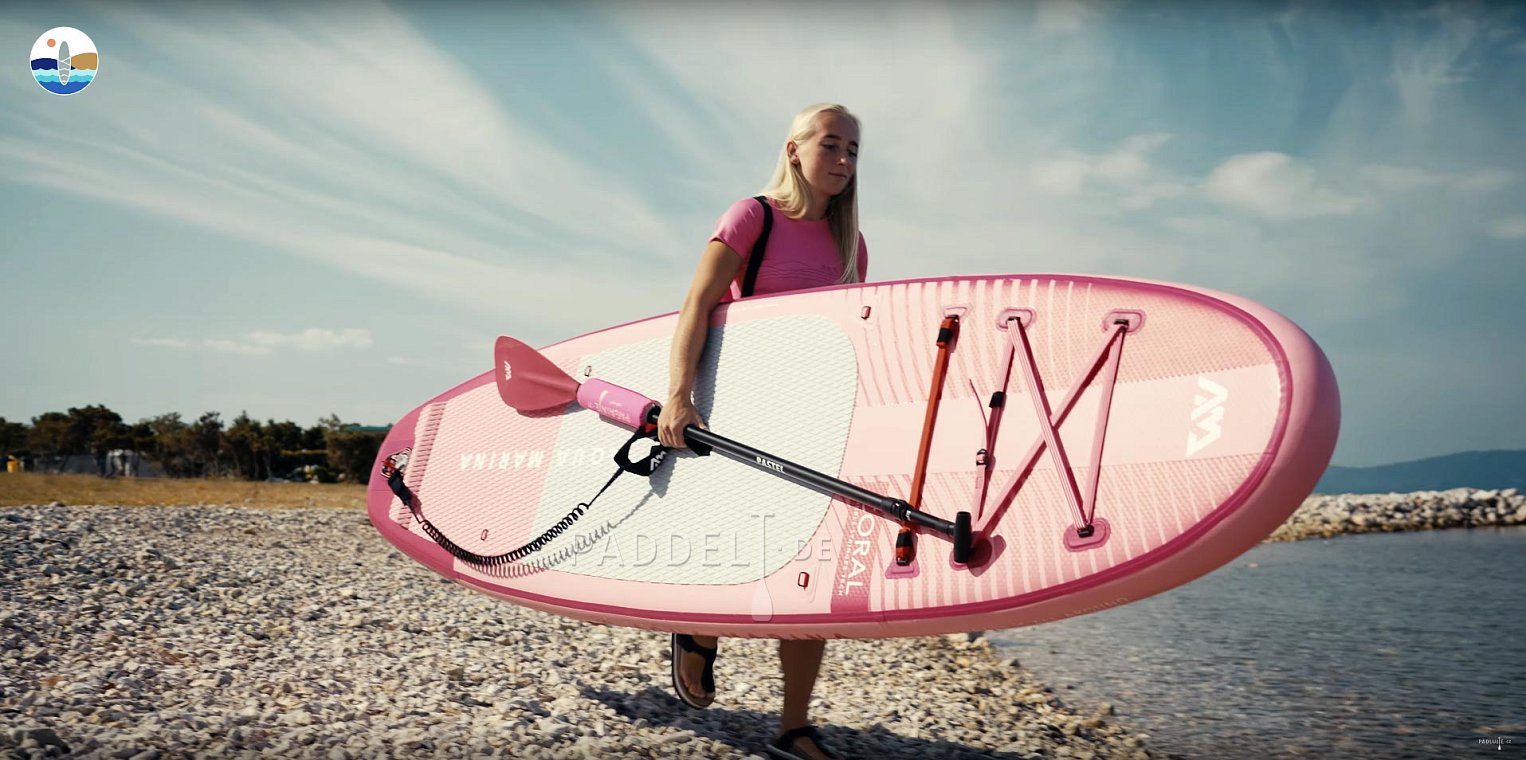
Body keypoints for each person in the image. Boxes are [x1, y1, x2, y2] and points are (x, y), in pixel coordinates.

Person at [657, 103, 866, 760]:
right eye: (831, 145)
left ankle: (793, 725)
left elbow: (851, 341)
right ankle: (699, 632)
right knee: (737, 548)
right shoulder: (755, 217)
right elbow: (698, 303)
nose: (843, 161)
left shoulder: (851, 242)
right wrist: (678, 397)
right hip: (742, 408)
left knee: (813, 566)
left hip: (814, 417)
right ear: (795, 149)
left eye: (854, 151)